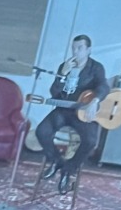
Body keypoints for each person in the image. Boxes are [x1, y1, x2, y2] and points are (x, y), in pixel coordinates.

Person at [35, 34, 108, 175]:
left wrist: (95, 101)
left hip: (83, 112)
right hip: (63, 110)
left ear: (88, 50)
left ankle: (69, 169)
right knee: (42, 132)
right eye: (73, 48)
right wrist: (63, 74)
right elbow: (54, 93)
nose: (75, 51)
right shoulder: (65, 66)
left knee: (90, 141)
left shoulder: (96, 68)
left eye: (80, 48)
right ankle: (57, 161)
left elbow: (103, 86)